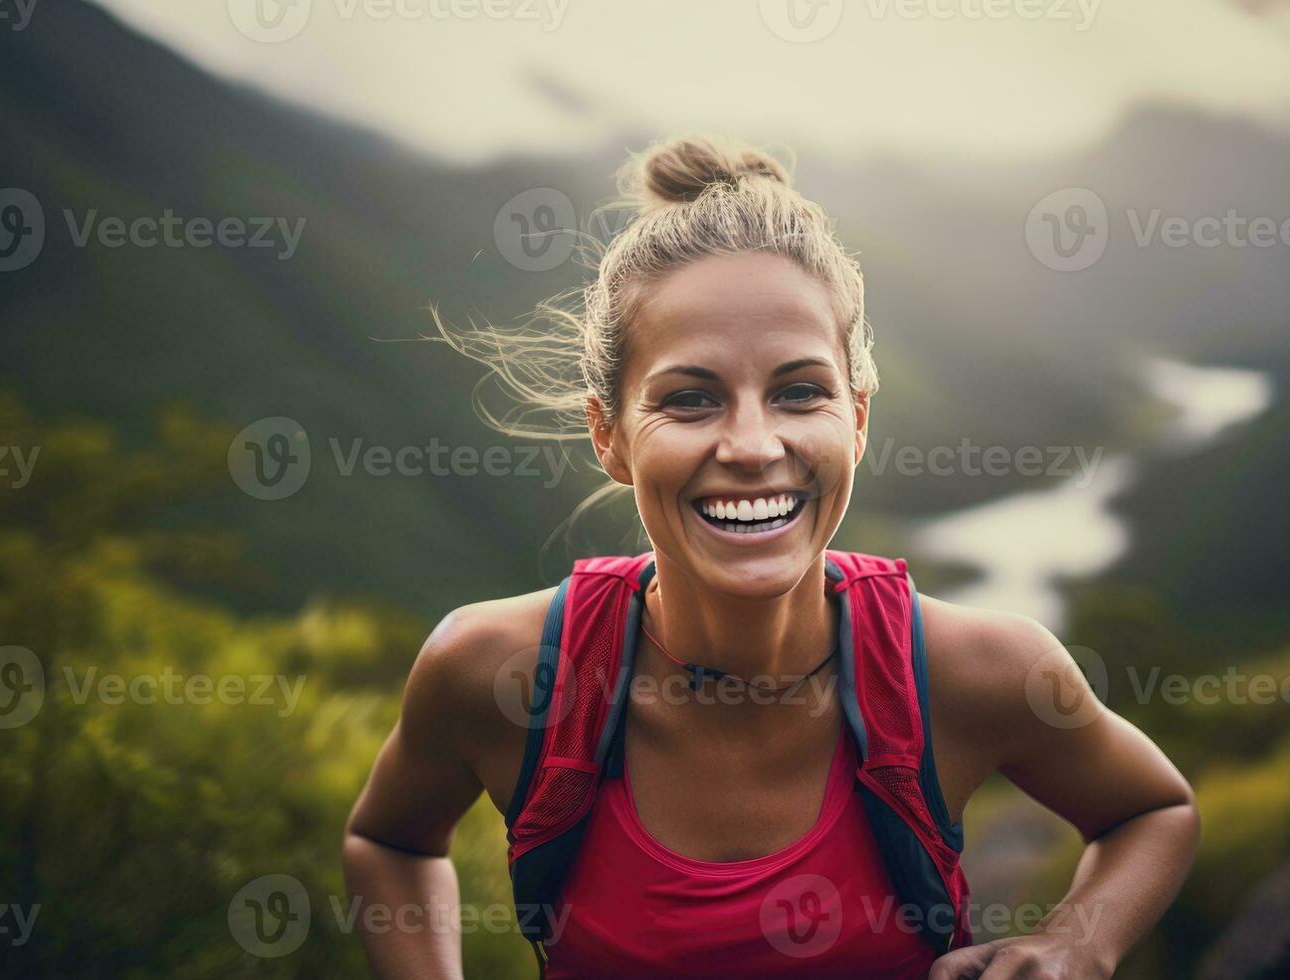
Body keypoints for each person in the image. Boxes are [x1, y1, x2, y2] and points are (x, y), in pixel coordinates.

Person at [342, 135, 1199, 979]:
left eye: (799, 392)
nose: (752, 445)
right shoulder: (502, 673)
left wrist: (1078, 943)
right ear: (609, 436)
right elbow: (386, 841)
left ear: (856, 418)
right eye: (689, 399)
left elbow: (1152, 811)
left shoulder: (975, 672)